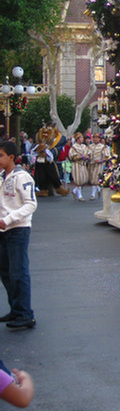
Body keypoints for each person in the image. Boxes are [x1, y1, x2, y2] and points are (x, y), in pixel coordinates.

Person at [0, 140, 38, 330]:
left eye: (1, 156)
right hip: (2, 230)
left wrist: (8, 219)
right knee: (6, 272)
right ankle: (16, 308)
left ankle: (25, 314)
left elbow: (31, 204)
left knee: (18, 272)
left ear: (11, 157)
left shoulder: (21, 177)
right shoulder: (1, 176)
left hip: (18, 229)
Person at [87, 133, 110, 200]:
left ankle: (93, 194)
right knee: (91, 178)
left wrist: (101, 160)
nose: (95, 139)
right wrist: (88, 157)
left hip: (99, 165)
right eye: (94, 138)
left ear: (99, 139)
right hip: (91, 164)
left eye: (97, 138)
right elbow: (88, 154)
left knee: (95, 178)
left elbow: (107, 156)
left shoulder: (102, 147)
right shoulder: (90, 146)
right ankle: (98, 189)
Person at [68, 132, 89, 202]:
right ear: (77, 139)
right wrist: (81, 156)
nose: (82, 139)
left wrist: (87, 157)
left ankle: (74, 191)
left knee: (84, 179)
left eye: (82, 138)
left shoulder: (84, 146)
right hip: (77, 165)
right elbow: (72, 156)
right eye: (80, 138)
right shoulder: (74, 147)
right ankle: (80, 196)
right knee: (78, 180)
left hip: (83, 164)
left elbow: (88, 154)